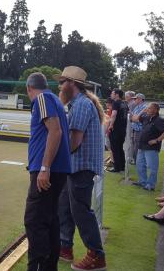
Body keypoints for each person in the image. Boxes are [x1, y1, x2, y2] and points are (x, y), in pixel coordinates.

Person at [55, 66, 107, 271]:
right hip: (77, 166)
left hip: (81, 166)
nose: (59, 86)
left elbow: (75, 141)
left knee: (81, 211)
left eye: (62, 82)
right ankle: (65, 247)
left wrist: (56, 160)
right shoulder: (80, 103)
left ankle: (97, 255)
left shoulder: (82, 105)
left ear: (71, 84)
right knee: (66, 207)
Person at [24, 72, 71, 271]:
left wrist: (45, 167)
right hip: (56, 169)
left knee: (35, 220)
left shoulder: (42, 99)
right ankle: (49, 266)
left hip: (47, 169)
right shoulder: (54, 100)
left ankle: (37, 266)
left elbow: (55, 130)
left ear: (29, 89)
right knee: (50, 219)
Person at [132, 103, 164, 191]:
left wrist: (156, 140)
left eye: (149, 108)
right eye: (147, 108)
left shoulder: (159, 120)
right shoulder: (146, 118)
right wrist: (143, 110)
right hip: (141, 146)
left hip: (151, 148)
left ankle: (151, 185)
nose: (147, 109)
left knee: (152, 167)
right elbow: (135, 119)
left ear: (155, 110)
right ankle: (142, 182)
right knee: (140, 165)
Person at [106, 89, 128, 173]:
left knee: (115, 149)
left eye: (112, 93)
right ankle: (122, 167)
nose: (111, 94)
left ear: (117, 94)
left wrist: (110, 125)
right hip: (123, 129)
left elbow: (114, 114)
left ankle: (117, 168)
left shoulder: (115, 103)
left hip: (116, 129)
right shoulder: (125, 103)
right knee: (120, 148)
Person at [129, 93, 147, 165]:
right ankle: (136, 161)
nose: (134, 100)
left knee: (138, 146)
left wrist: (134, 118)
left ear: (140, 99)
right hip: (135, 129)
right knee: (135, 145)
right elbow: (132, 118)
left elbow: (137, 119)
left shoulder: (145, 107)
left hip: (140, 130)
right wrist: (134, 118)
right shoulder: (137, 107)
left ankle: (138, 162)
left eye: (135, 99)